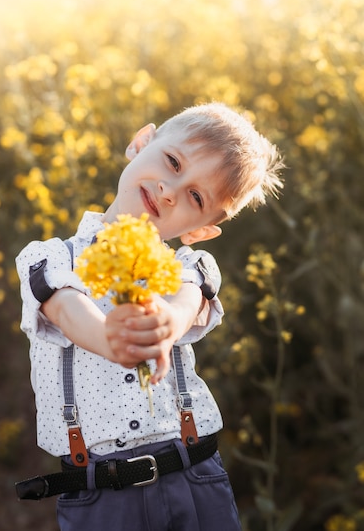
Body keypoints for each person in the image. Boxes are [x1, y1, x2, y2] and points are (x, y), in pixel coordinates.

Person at [15, 102, 284, 531]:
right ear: (141, 142)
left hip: (195, 477)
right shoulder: (51, 257)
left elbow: (187, 302)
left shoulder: (185, 268)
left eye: (196, 197)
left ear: (200, 230)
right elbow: (65, 307)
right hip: (102, 496)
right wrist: (110, 338)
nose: (170, 190)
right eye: (173, 162)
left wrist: (166, 325)